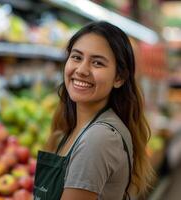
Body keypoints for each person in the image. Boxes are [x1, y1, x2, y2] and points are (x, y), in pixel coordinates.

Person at [33, 21, 154, 200]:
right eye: (76, 57)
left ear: (119, 78)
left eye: (97, 63)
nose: (81, 70)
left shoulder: (98, 138)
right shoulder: (77, 127)